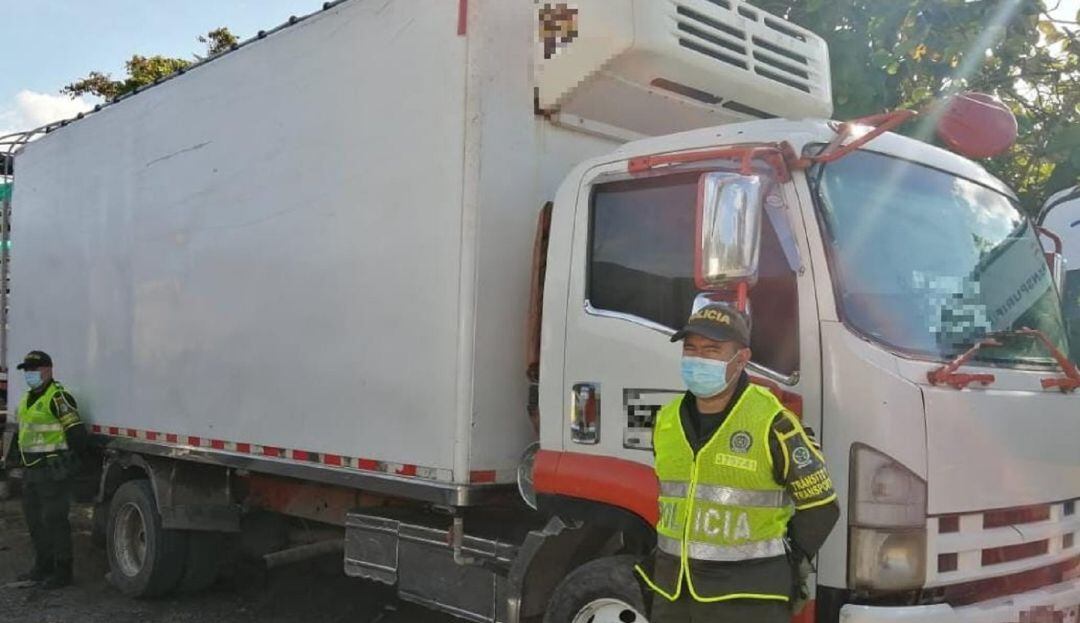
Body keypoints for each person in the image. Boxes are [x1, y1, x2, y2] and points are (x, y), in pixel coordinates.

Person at [637, 301, 840, 622]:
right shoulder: (666, 420)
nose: (698, 359)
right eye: (690, 349)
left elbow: (822, 506)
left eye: (712, 350)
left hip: (748, 599)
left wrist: (787, 564)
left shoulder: (772, 422)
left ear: (741, 358)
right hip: (673, 592)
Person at [7, 350, 87, 589]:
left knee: (54, 520)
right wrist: (13, 461)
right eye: (26, 370)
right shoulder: (26, 399)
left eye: (34, 369)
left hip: (52, 473)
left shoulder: (58, 398)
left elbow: (77, 435)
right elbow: (23, 433)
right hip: (31, 471)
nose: (29, 374)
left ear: (48, 370)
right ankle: (42, 567)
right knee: (35, 522)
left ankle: (63, 572)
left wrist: (67, 463)